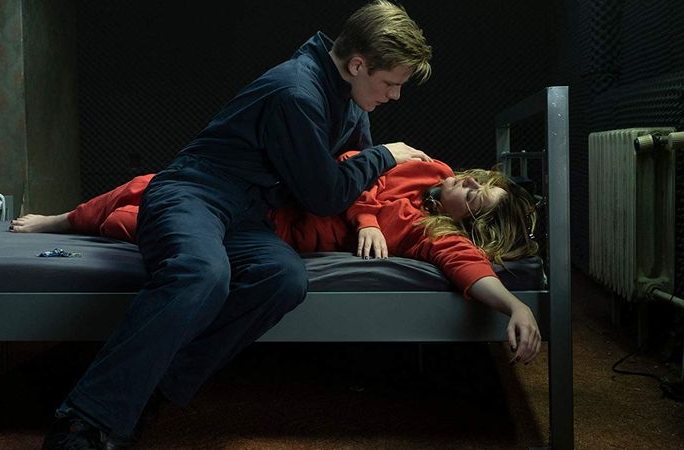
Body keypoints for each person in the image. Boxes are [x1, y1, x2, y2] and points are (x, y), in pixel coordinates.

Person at [37, 2, 433, 449]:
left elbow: (351, 184)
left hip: (246, 215)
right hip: (193, 193)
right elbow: (324, 195)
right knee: (202, 273)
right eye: (391, 83)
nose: (395, 96)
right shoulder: (297, 93)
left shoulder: (352, 103)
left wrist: (368, 219)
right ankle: (82, 420)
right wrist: (384, 154)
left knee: (283, 277)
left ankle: (147, 389)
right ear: (357, 64)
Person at [13, 152, 542, 369]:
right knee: (150, 184)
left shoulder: (431, 231)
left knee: (125, 224)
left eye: (476, 196)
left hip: (278, 230)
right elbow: (349, 165)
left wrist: (515, 306)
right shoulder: (430, 167)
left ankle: (100, 223)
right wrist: (366, 218)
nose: (470, 182)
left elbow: (466, 266)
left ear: (470, 223)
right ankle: (64, 220)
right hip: (278, 193)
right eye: (480, 180)